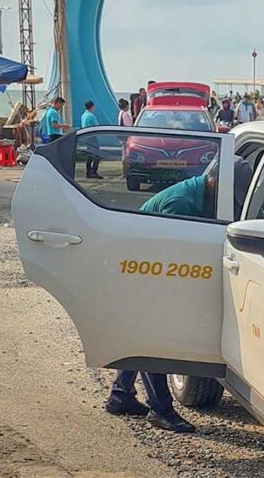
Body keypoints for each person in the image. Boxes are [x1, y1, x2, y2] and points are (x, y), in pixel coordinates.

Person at [105, 160, 224, 433]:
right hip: (142, 267)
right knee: (153, 336)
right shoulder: (180, 203)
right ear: (215, 182)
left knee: (142, 332)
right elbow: (172, 255)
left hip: (147, 263)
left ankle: (121, 395)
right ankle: (160, 409)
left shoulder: (199, 193)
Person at [80, 101, 103, 179]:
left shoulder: (83, 116)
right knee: (97, 154)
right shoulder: (91, 116)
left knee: (90, 154)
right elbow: (96, 126)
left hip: (86, 136)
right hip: (92, 136)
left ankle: (88, 172)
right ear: (92, 106)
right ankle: (94, 171)